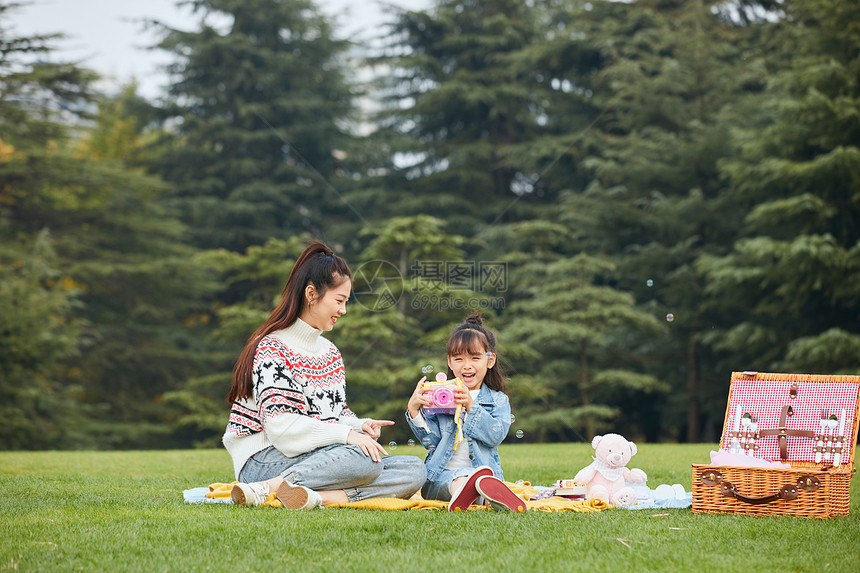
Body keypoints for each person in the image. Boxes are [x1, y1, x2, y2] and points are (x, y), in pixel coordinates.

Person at [223, 240, 426, 509]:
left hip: (312, 456)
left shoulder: (329, 351)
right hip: (264, 459)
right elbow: (282, 429)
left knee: (413, 469)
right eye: (339, 301)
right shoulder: (273, 347)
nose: (343, 310)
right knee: (361, 459)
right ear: (311, 294)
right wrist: (347, 436)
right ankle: (266, 488)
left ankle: (316, 497)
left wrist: (359, 426)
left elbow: (334, 413)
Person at [406, 313, 525, 512]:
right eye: (459, 359)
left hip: (482, 473)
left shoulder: (498, 400)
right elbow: (432, 442)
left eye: (475, 358)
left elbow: (495, 435)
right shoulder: (440, 396)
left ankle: (479, 492)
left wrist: (471, 406)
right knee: (455, 480)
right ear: (450, 362)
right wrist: (414, 411)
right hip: (441, 475)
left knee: (477, 478)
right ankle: (478, 494)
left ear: (490, 360)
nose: (467, 365)